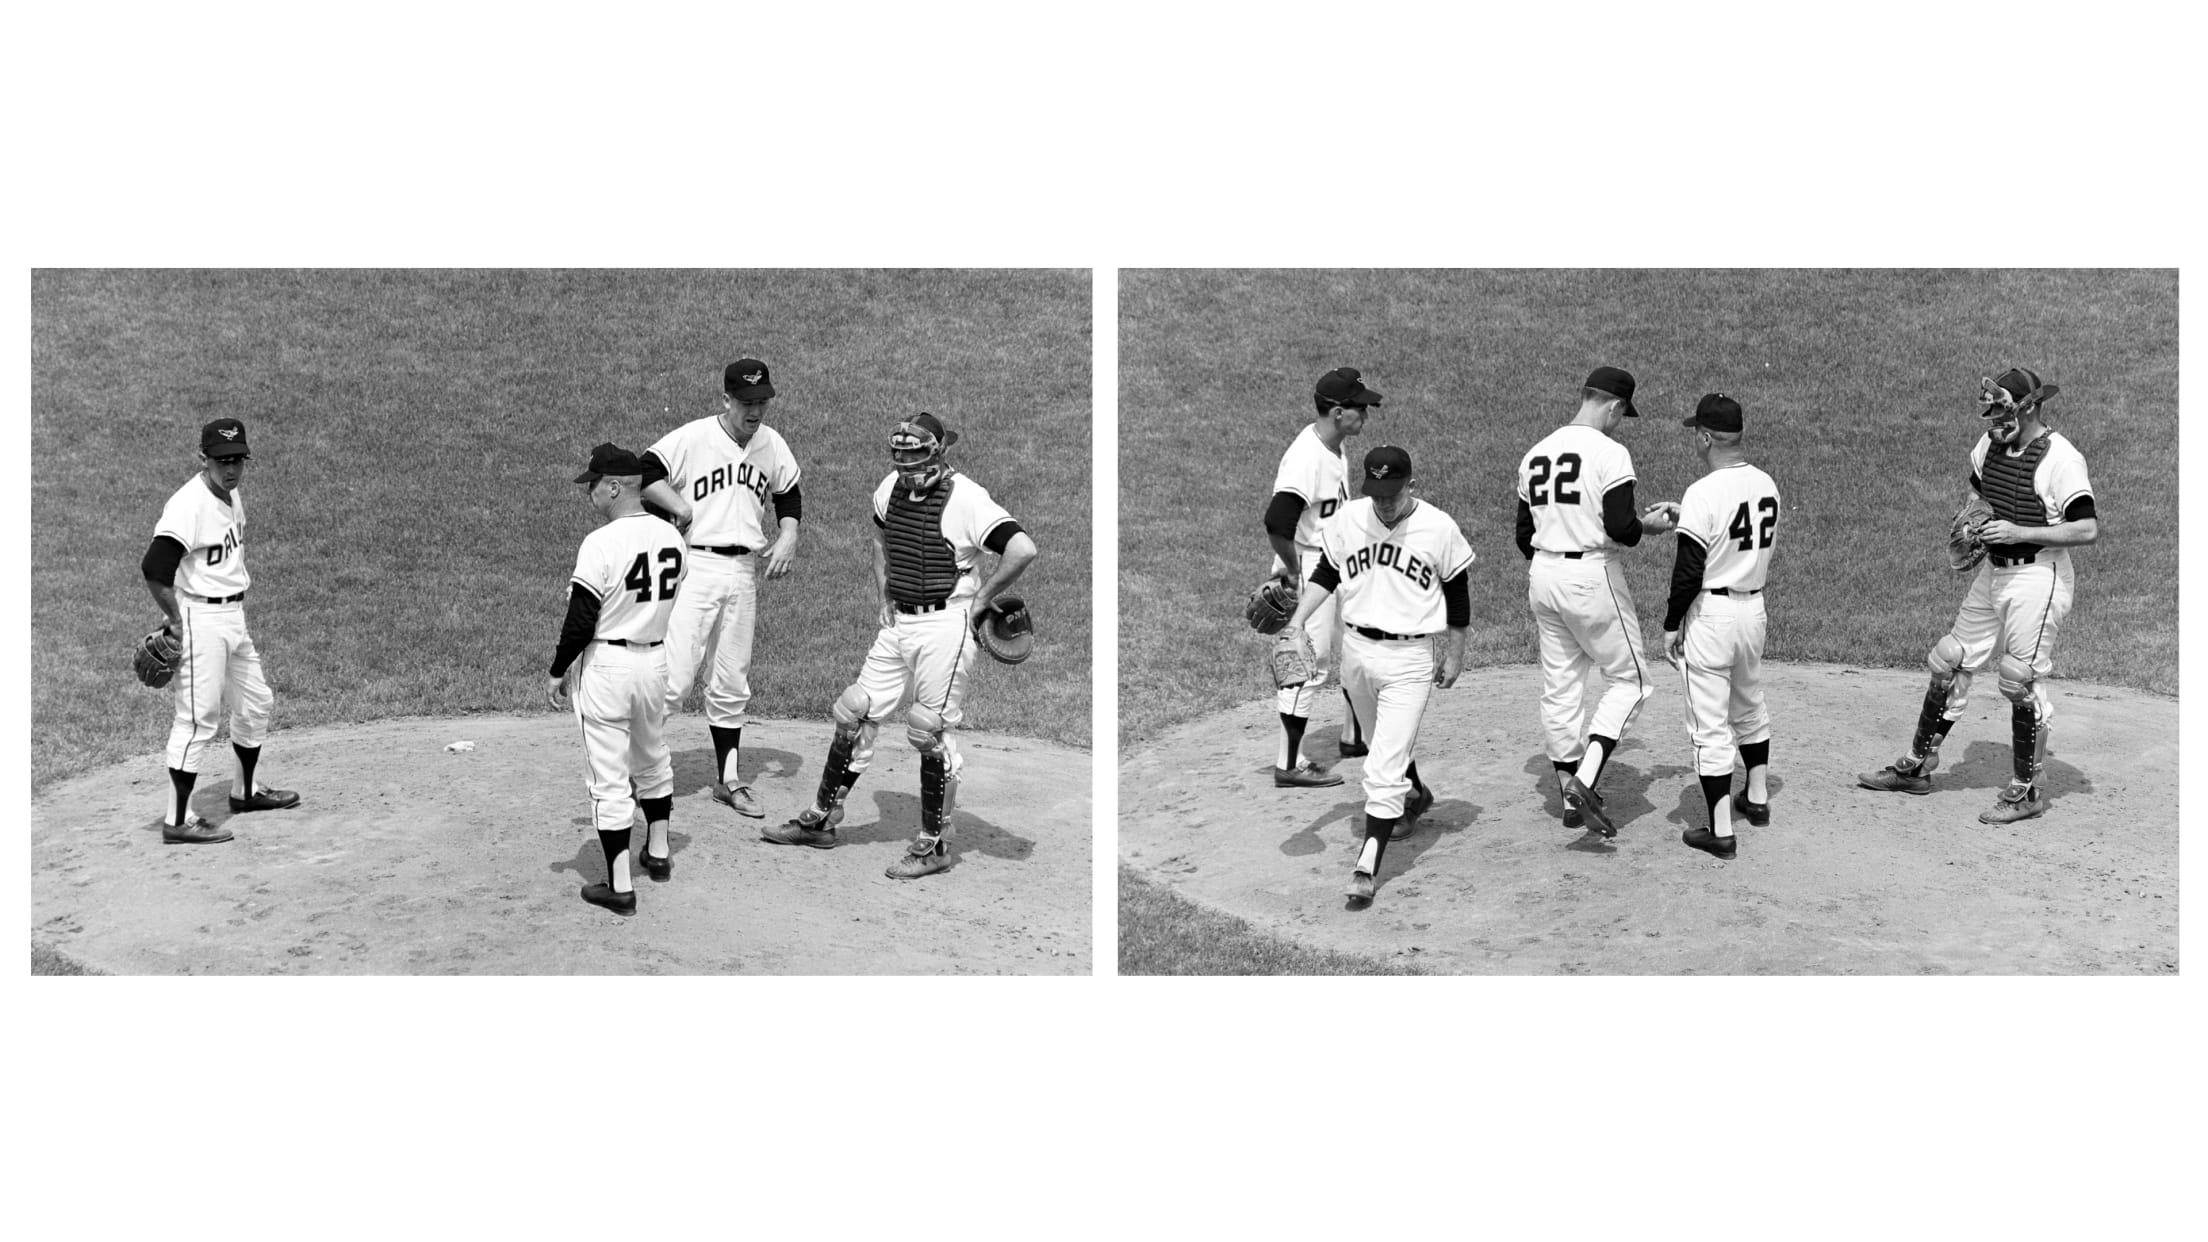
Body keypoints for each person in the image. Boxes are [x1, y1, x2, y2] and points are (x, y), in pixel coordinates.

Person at [763, 413, 1037, 879]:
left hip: (946, 625)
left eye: (916, 456)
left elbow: (1022, 548)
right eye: (901, 456)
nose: (907, 465)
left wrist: (982, 601)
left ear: (938, 452)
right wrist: (884, 592)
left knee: (928, 729)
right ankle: (822, 821)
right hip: (900, 623)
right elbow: (880, 537)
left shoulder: (966, 498)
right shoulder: (890, 488)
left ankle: (935, 846)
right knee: (854, 712)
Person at [1857, 368, 2098, 824]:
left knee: (2017, 678)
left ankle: (2026, 790)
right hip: (1994, 572)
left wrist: (2017, 530)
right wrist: (1972, 519)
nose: (1994, 421)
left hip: (2038, 577)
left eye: (2003, 411)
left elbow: (2087, 528)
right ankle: (1917, 767)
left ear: (2029, 407)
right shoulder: (1990, 446)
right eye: (1990, 412)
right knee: (1949, 660)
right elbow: (1977, 490)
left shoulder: (2062, 459)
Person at [1281, 446, 1473, 904]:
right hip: (1357, 652)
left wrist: (1456, 654)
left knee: (1381, 767)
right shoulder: (1350, 519)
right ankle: (1418, 793)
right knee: (1379, 741)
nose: (1384, 502)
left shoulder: (1438, 527)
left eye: (1393, 493)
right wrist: (1295, 622)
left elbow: (1458, 593)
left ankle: (1367, 864)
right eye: (1377, 493)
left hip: (1410, 659)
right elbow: (1327, 574)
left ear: (1412, 485)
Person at [1514, 366, 1678, 839]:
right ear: (1613, 405)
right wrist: (1651, 524)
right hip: (1590, 575)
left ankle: (1567, 788)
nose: (1620, 421)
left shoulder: (1536, 452)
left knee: (1561, 683)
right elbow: (1623, 529)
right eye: (1622, 413)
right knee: (1631, 681)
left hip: (1542, 575)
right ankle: (1585, 782)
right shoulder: (1610, 452)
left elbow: (1524, 535)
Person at [638, 358, 803, 821]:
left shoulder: (772, 444)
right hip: (696, 569)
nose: (755, 411)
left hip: (743, 573)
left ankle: (729, 780)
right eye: (747, 402)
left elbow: (788, 491)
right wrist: (680, 509)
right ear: (725, 399)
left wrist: (789, 532)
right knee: (676, 679)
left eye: (762, 402)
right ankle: (640, 770)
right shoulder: (693, 437)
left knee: (732, 681)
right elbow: (645, 469)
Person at [139, 417, 300, 844]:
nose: (231, 469)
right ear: (203, 459)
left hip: (233, 618)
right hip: (200, 622)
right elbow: (155, 568)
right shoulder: (188, 505)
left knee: (255, 703)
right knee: (197, 721)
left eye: (238, 460)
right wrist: (175, 620)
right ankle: (178, 820)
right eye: (221, 460)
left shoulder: (231, 494)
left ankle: (244, 791)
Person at [547, 443, 688, 916]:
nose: (589, 492)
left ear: (615, 487)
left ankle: (620, 886)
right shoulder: (673, 539)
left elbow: (581, 618)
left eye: (593, 484)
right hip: (655, 663)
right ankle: (661, 854)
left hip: (608, 666)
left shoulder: (601, 541)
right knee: (652, 756)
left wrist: (556, 669)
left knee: (608, 777)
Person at [1659, 395, 1781, 860]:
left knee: (1709, 723)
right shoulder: (1766, 483)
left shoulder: (1703, 492)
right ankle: (1757, 797)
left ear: (1706, 437)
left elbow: (1689, 570)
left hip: (1712, 615)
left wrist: (1672, 623)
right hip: (1754, 610)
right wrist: (1688, 516)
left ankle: (1720, 830)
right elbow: (1732, 530)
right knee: (1749, 701)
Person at [1261, 366, 1381, 788]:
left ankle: (1352, 736)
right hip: (1313, 567)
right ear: (1335, 411)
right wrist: (1292, 570)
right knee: (1307, 664)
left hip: (1336, 563)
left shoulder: (1334, 445)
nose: (1365, 415)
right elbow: (1277, 520)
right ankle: (1288, 764)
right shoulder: (1307, 457)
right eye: (1359, 409)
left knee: (1354, 648)